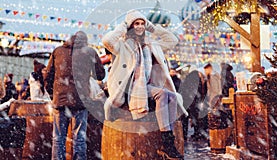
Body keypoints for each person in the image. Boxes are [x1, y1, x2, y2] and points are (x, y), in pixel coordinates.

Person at [102, 10, 187, 159]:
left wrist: (152, 28)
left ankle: (169, 138)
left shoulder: (150, 44)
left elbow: (172, 40)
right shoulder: (122, 45)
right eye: (137, 23)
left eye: (142, 23)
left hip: (145, 87)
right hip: (129, 89)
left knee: (172, 96)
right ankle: (167, 142)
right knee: (163, 94)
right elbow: (107, 41)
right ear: (130, 26)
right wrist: (123, 25)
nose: (140, 27)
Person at [44, 31, 105, 160]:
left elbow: (47, 75)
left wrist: (53, 94)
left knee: (58, 138)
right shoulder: (90, 52)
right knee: (79, 138)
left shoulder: (58, 51)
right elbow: (100, 75)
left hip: (60, 100)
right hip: (81, 101)